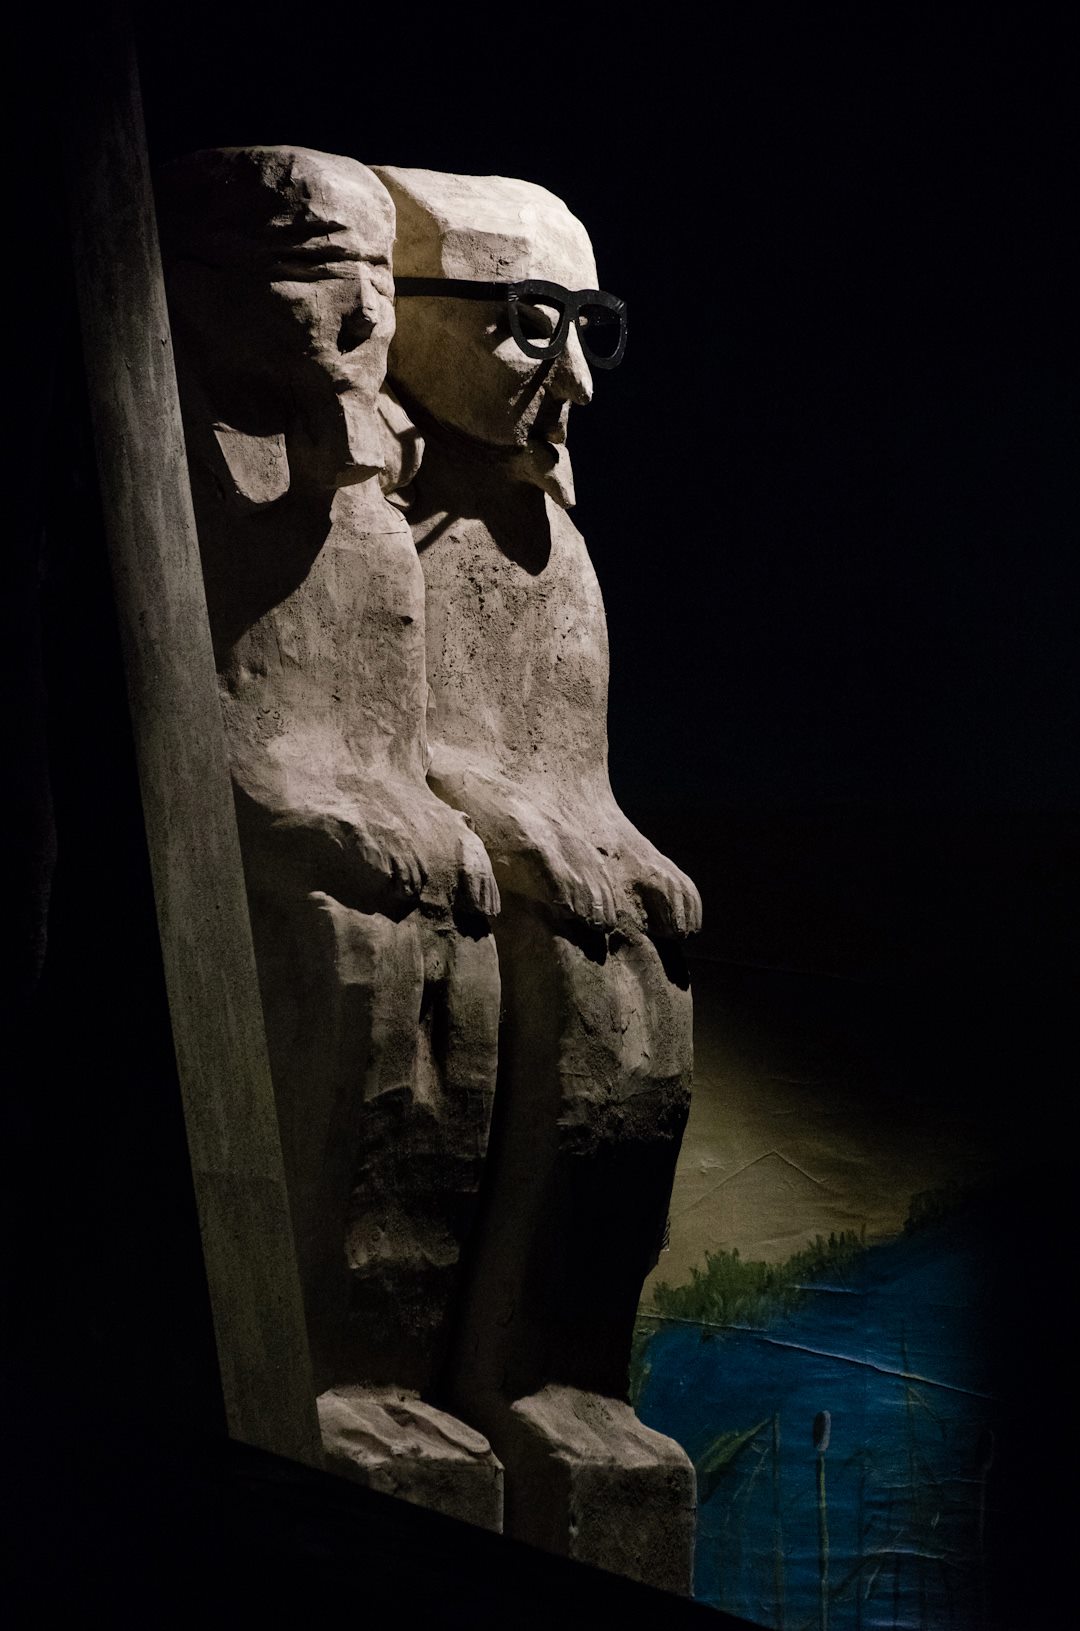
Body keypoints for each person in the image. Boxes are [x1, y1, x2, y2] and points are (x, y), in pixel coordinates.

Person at [159, 148, 503, 1527]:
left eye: (380, 274)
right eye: (319, 269)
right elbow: (214, 698)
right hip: (277, 854)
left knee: (474, 1031)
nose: (365, 312)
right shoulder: (179, 453)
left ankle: (389, 1367)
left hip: (375, 822)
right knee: (349, 977)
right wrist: (285, 798)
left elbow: (385, 700)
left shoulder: (379, 476)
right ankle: (316, 1376)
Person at [374, 165, 700, 1591]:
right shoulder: (370, 521)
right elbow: (386, 735)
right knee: (417, 993)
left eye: (584, 328)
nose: (570, 375)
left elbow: (566, 758)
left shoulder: (551, 543)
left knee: (632, 1010)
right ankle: (388, 1364)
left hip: (532, 850)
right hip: (419, 864)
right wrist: (504, 818)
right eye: (524, 325)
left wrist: (602, 832)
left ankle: (552, 1370)